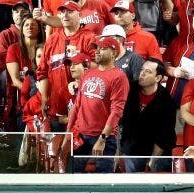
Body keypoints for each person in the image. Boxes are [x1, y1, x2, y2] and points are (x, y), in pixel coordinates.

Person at [66, 36, 128, 173]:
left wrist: (103, 138)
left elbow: (116, 111)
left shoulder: (119, 76)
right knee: (71, 176)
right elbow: (77, 106)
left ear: (114, 53)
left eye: (103, 48)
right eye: (97, 48)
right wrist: (67, 134)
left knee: (103, 180)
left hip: (104, 137)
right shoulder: (87, 73)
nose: (98, 51)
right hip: (81, 135)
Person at [36, 1, 96, 132]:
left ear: (80, 15)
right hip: (56, 108)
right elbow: (42, 72)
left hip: (83, 107)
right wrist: (44, 97)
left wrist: (80, 57)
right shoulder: (52, 40)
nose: (65, 15)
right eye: (62, 12)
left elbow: (98, 68)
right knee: (57, 149)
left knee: (80, 151)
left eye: (69, 11)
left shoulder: (89, 38)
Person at [121, 57, 176, 172]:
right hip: (132, 150)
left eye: (148, 72)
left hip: (157, 153)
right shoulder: (130, 89)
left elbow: (164, 137)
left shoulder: (166, 101)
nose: (142, 74)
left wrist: (151, 162)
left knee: (155, 186)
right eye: (142, 70)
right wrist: (119, 152)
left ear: (158, 78)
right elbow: (122, 122)